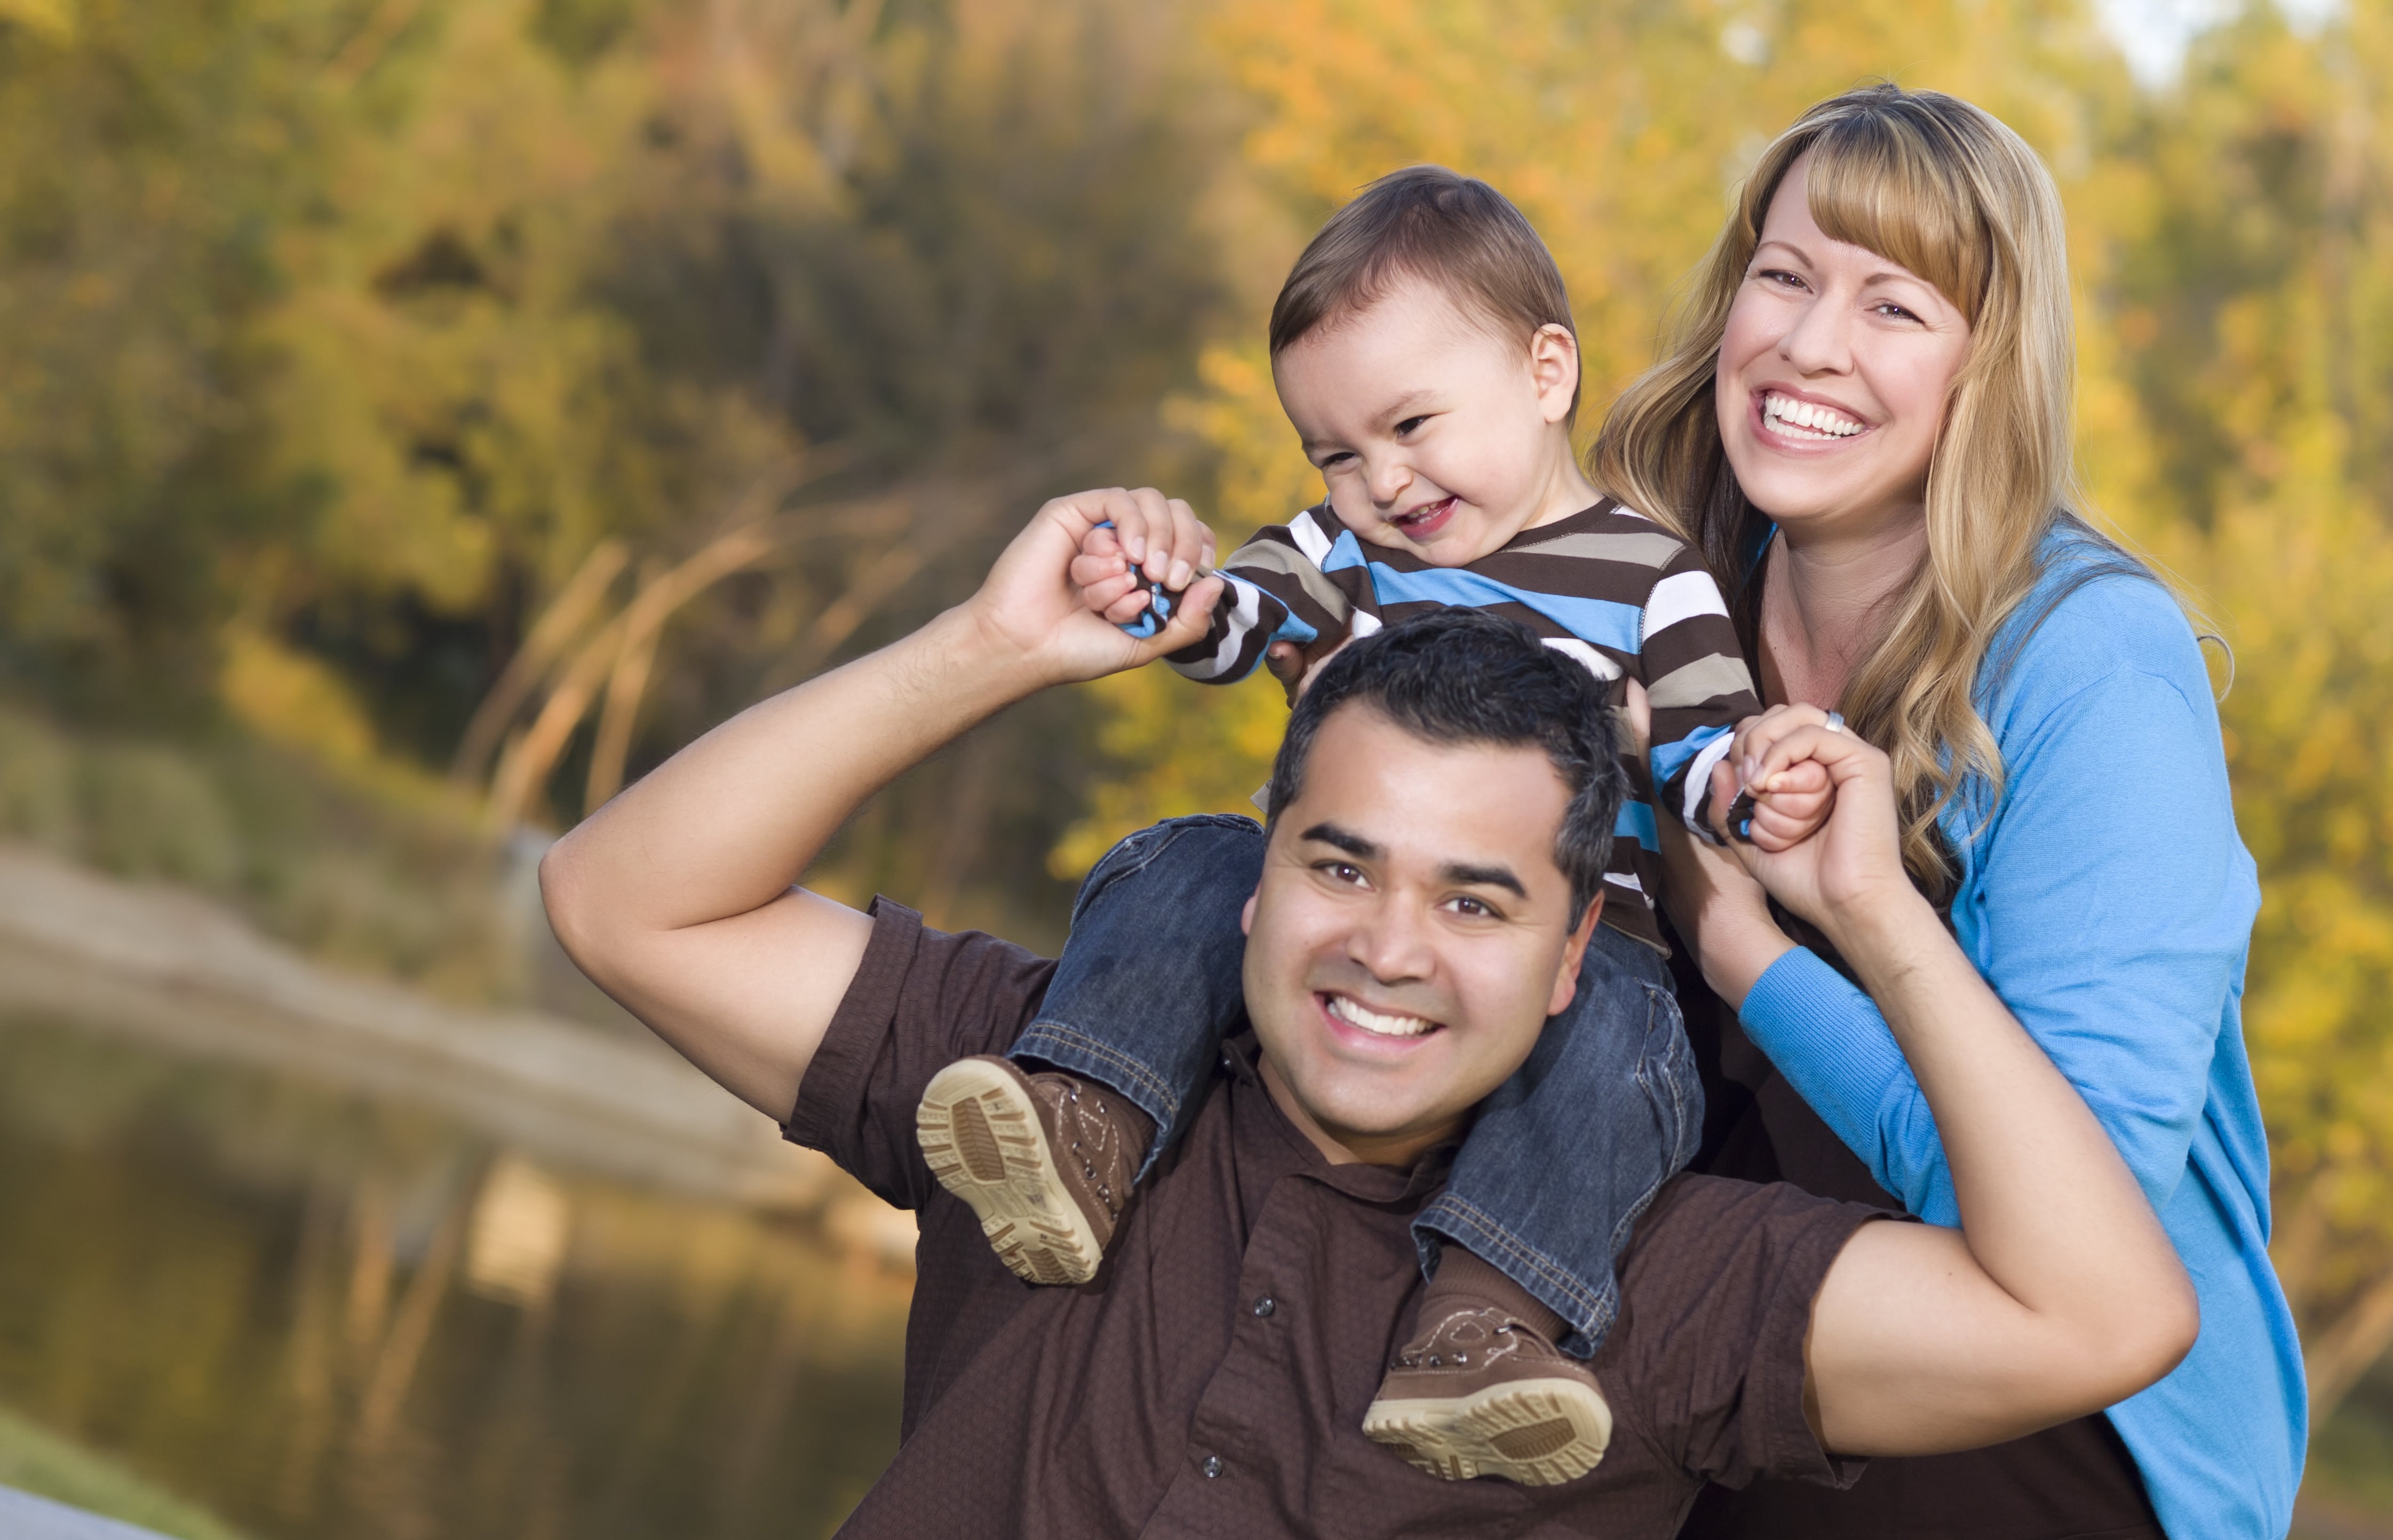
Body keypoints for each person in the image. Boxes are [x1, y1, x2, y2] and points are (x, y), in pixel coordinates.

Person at [539, 501, 2196, 1536]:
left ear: (1572, 963)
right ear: (1254, 880)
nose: (1387, 948)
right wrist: (987, 648)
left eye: (1475, 901)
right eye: (1341, 865)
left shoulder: (1651, 1285)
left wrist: (1871, 919)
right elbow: (620, 900)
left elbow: (2097, 1319)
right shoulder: (1046, 1097)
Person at [905, 166, 1827, 1482]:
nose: (1380, 480)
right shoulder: (1342, 557)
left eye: (1409, 425)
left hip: (1583, 942)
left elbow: (1702, 768)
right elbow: (1236, 622)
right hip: (1339, 910)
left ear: (1545, 371)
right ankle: (1085, 1116)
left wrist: (1741, 777)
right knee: (1189, 861)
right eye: (1334, 453)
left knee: (1627, 1048)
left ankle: (1484, 1323)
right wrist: (1158, 591)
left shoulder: (1652, 576)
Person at [1576, 85, 2303, 1537]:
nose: (1807, 344)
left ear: (1986, 368)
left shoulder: (2087, 665)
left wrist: (1758, 956)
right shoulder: (1651, 602)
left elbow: (2057, 1222)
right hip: (1700, 1315)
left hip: (2041, 1409)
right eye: (1780, 277)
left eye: (1891, 308)